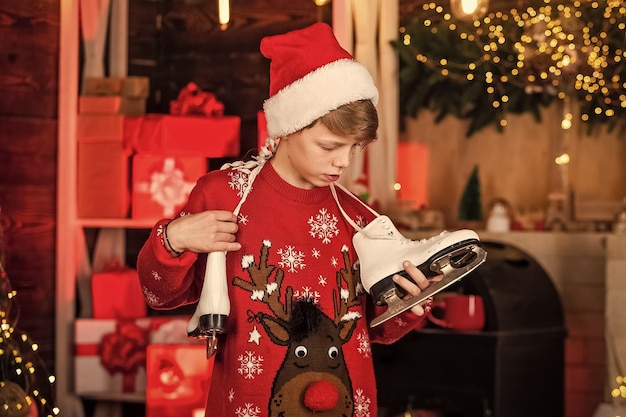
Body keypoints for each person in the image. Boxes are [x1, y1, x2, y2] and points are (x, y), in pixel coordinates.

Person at [137, 22, 437, 417]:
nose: (343, 162)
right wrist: (173, 238)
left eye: (355, 148)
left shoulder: (360, 218)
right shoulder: (225, 195)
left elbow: (376, 330)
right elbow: (161, 294)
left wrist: (410, 304)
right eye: (329, 146)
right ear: (289, 128)